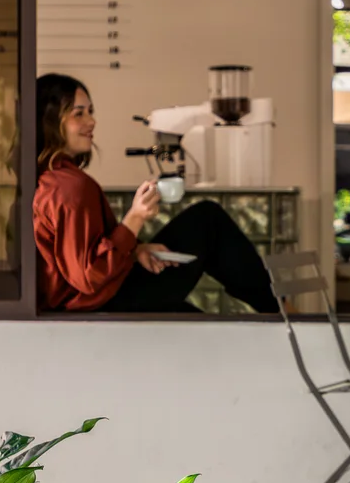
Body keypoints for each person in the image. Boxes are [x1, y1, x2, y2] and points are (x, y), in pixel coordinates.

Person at [32, 74, 278, 315]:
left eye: (90, 111)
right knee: (207, 220)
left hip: (96, 298)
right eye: (79, 113)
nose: (91, 121)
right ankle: (280, 310)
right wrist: (135, 218)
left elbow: (82, 257)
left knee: (194, 321)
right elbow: (89, 276)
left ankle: (277, 310)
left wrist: (136, 251)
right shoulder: (68, 187)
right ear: (51, 120)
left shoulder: (50, 179)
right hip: (102, 301)